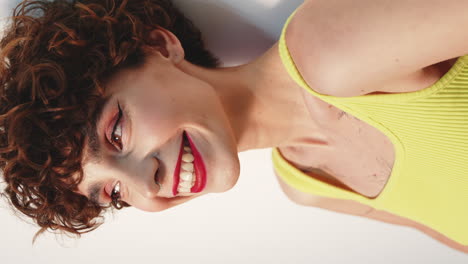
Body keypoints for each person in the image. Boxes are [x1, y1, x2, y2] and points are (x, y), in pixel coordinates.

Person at [0, 0, 467, 252]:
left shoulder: (329, 51)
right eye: (113, 194)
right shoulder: (309, 187)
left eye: (115, 133)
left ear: (160, 47)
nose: (147, 185)